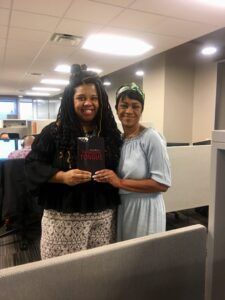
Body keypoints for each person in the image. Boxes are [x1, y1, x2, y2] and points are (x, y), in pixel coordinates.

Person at [25, 64, 122, 259]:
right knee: (61, 274)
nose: (89, 103)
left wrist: (113, 176)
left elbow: (121, 166)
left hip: (102, 216)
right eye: (81, 98)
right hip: (64, 217)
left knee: (98, 271)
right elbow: (32, 166)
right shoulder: (54, 132)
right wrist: (62, 176)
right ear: (71, 100)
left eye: (94, 98)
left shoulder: (109, 133)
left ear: (101, 100)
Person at [93, 82, 171, 241]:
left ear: (141, 110)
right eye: (124, 105)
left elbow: (162, 183)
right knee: (126, 256)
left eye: (135, 106)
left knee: (144, 258)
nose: (129, 111)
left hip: (145, 209)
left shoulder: (151, 138)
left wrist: (119, 182)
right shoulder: (120, 140)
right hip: (124, 207)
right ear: (116, 109)